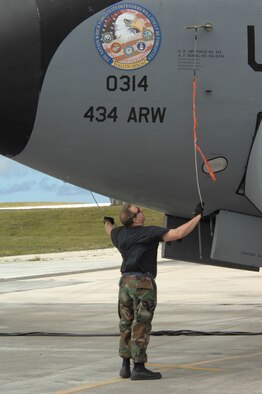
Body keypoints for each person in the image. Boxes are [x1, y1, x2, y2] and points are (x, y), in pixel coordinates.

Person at [104, 203, 202, 381]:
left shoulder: (118, 234)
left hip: (125, 283)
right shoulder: (149, 232)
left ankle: (125, 366)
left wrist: (107, 222)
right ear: (135, 219)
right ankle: (139, 367)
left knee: (125, 323)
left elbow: (109, 229)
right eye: (138, 211)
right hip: (143, 285)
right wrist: (197, 217)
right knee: (141, 324)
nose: (141, 210)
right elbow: (178, 233)